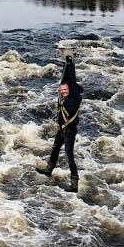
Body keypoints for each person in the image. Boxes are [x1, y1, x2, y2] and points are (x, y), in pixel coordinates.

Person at [36, 53, 83, 192]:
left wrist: (71, 64)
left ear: (70, 90)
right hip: (62, 129)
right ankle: (48, 170)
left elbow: (72, 81)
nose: (63, 92)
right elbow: (65, 79)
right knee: (55, 148)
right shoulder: (62, 97)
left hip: (69, 130)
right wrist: (66, 64)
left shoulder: (74, 98)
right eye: (62, 90)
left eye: (65, 90)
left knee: (69, 156)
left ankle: (74, 183)